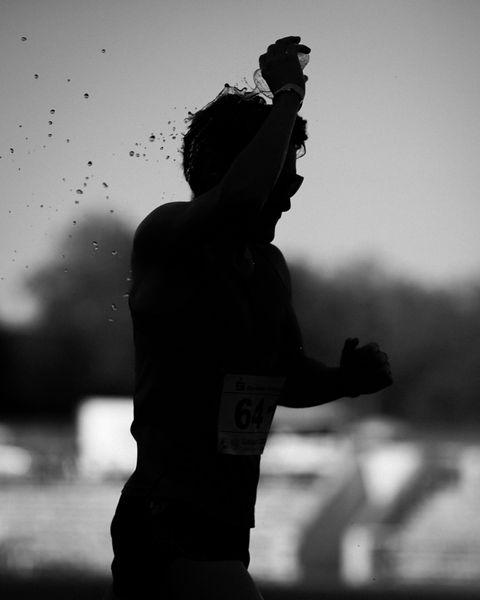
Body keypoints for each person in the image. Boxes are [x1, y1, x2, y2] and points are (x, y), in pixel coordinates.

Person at [105, 36, 393, 600]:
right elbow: (239, 200)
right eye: (279, 176)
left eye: (293, 177)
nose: (289, 194)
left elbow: (281, 375)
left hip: (227, 528)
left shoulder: (269, 267)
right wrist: (289, 95)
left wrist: (342, 382)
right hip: (167, 521)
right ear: (226, 169)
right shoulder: (169, 234)